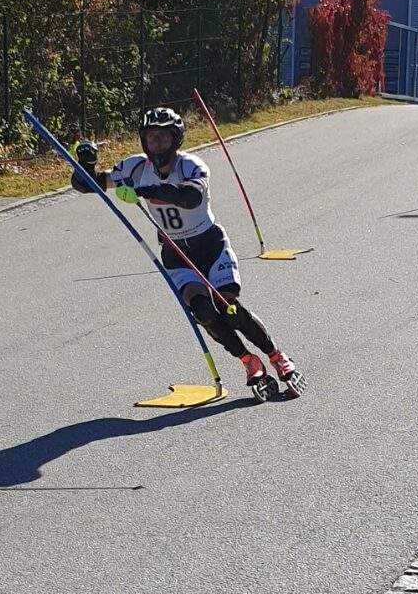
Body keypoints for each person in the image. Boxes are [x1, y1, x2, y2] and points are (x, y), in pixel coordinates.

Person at [72, 107, 304, 398]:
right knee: (204, 312)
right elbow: (89, 185)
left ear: (176, 139)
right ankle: (249, 360)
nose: (157, 144)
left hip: (210, 246)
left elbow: (190, 198)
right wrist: (85, 165)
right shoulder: (134, 168)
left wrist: (143, 192)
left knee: (229, 309)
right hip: (176, 253)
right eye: (151, 137)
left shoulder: (191, 165)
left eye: (163, 138)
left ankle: (275, 355)